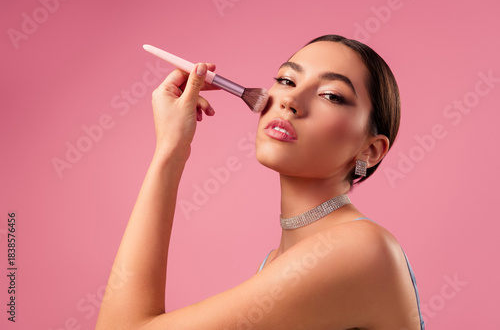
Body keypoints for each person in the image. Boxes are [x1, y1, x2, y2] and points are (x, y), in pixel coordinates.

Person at [96, 35, 425, 330]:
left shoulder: (360, 249)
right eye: (286, 79)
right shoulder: (274, 262)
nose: (289, 100)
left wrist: (171, 150)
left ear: (371, 149)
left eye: (331, 95)